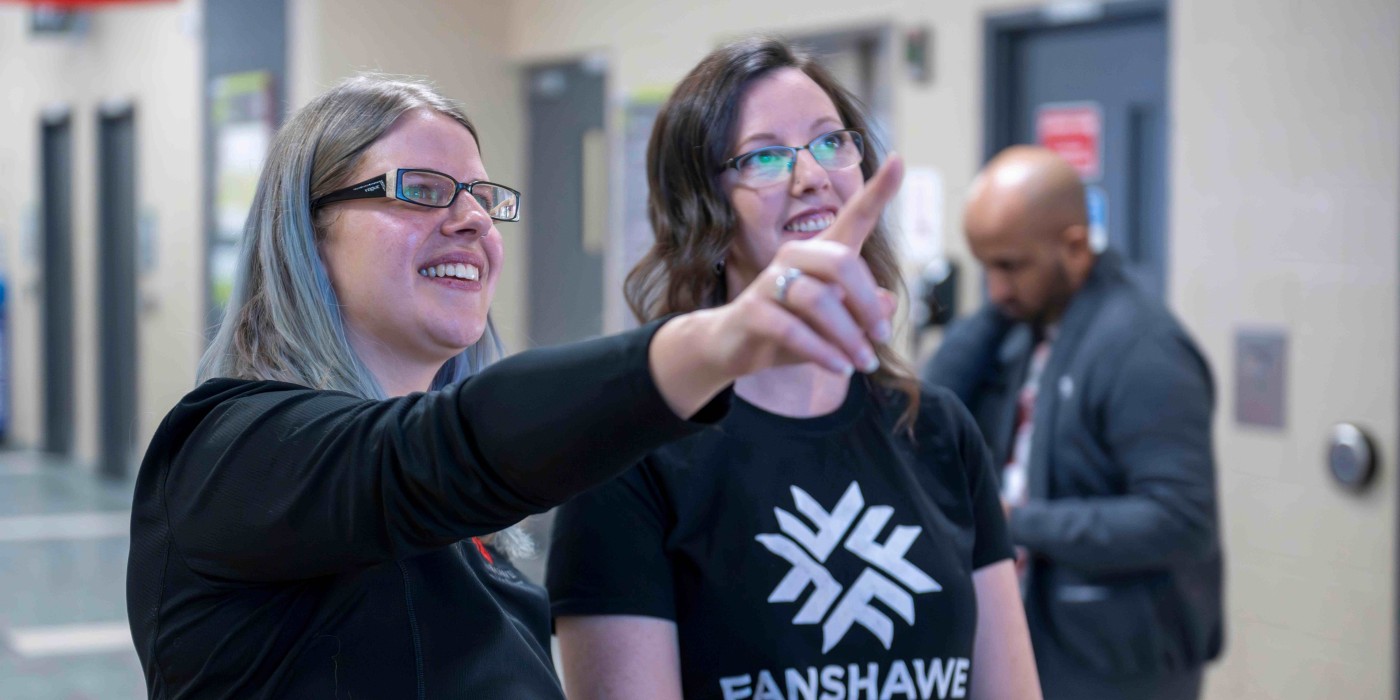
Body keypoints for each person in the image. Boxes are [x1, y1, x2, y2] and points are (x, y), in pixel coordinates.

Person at [125, 73, 904, 699]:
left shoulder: (466, 534)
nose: (470, 221)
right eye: (423, 190)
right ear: (306, 227)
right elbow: (432, 455)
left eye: (482, 199)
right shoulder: (229, 450)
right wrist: (721, 338)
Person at [545, 38, 1041, 700]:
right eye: (766, 157)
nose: (812, 176)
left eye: (831, 142)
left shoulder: (942, 432)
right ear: (703, 209)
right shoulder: (626, 459)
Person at [923, 146, 1224, 700]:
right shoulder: (1027, 323)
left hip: (1118, 667)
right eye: (986, 266)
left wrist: (1014, 522)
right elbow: (929, 406)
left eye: (1011, 265)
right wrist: (1003, 300)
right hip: (1042, 644)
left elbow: (1180, 517)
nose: (995, 287)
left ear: (1076, 248)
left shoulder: (1144, 349)